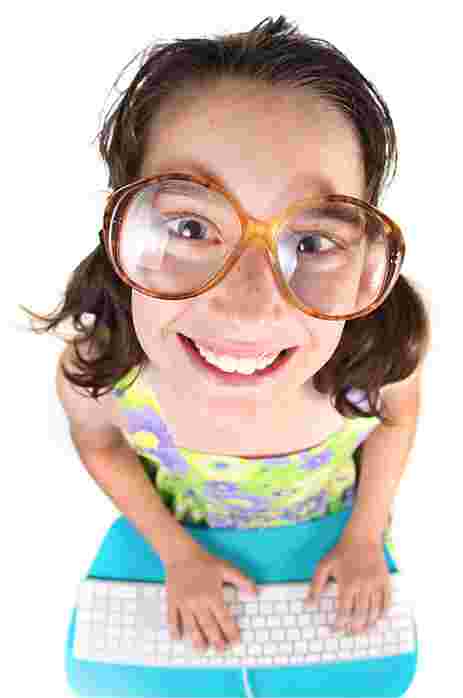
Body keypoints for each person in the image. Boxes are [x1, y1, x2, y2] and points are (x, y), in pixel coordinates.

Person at [20, 15, 431, 657]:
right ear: (118, 228)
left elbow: (396, 423)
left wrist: (363, 536)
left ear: (365, 258)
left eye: (313, 241)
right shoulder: (105, 368)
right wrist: (177, 553)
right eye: (190, 227)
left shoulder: (377, 354)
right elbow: (98, 443)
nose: (248, 310)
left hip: (331, 528)